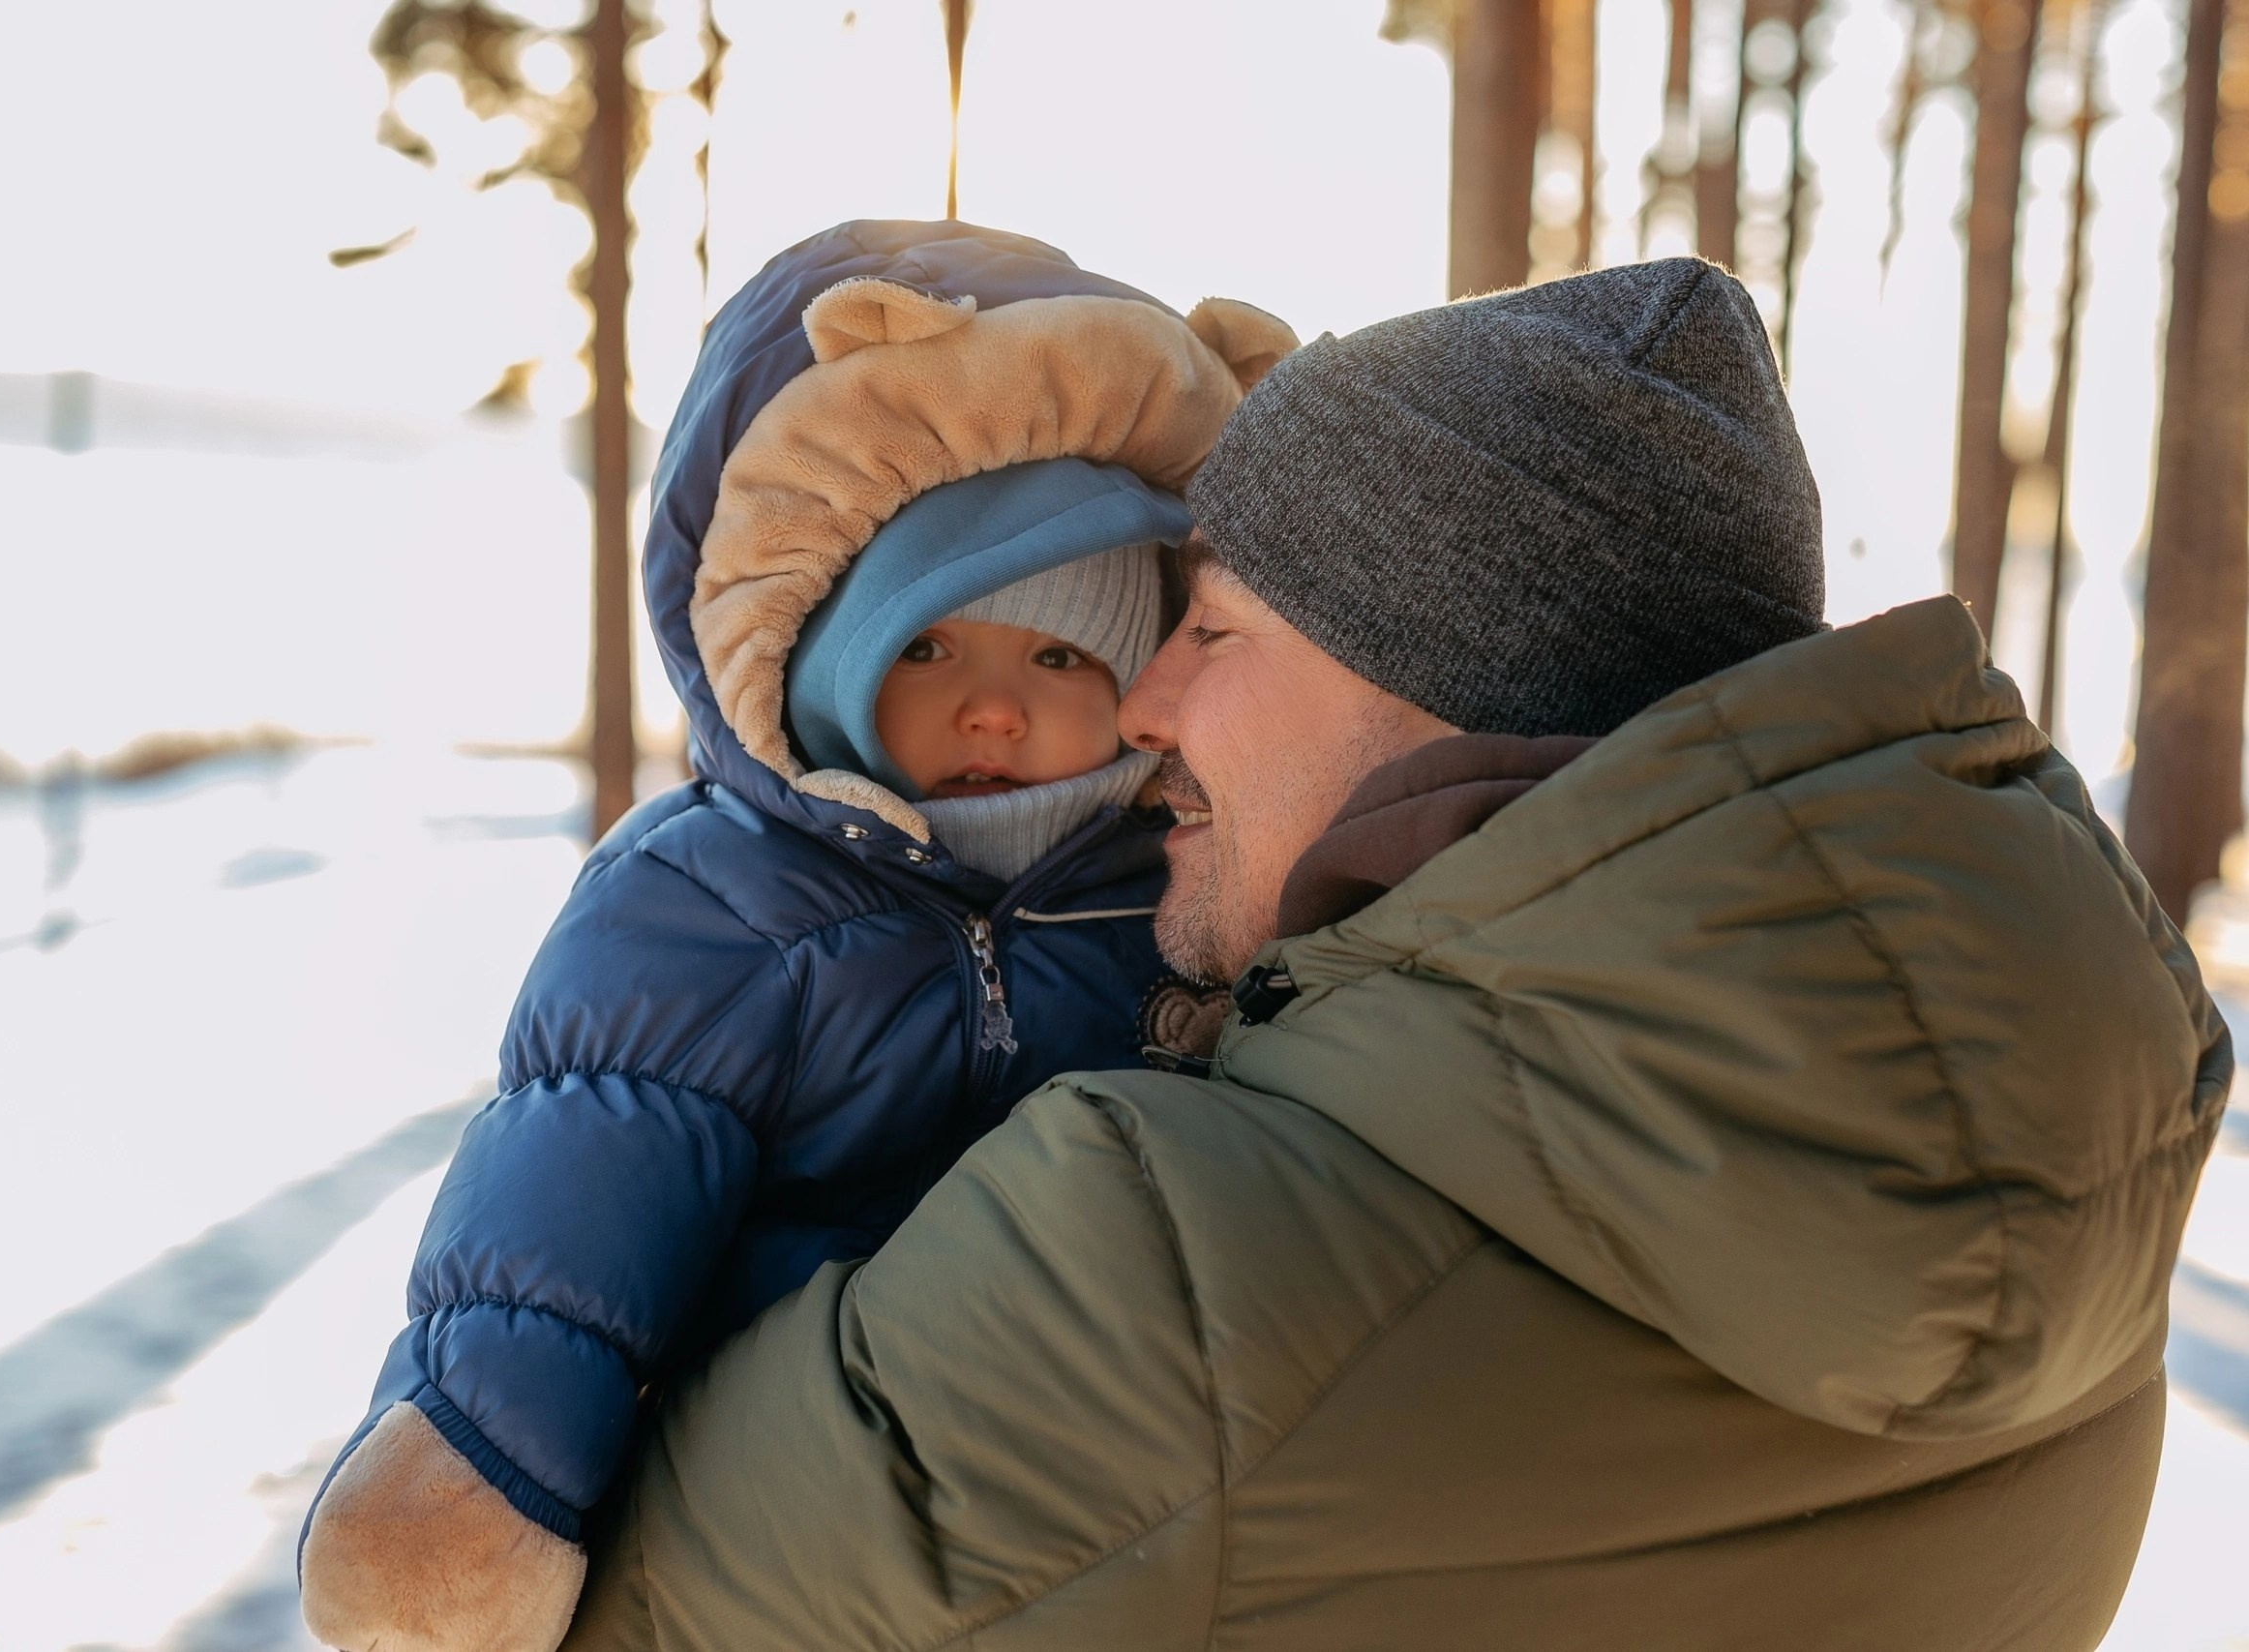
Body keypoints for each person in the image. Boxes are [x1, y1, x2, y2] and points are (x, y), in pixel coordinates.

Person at [563, 258, 2230, 1650]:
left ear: (1446, 680)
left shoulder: (1169, 1275)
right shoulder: (2079, 1228)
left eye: (1213, 627)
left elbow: (621, 1608)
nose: (1140, 709)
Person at [295, 221, 1298, 1652]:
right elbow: (578, 1186)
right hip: (767, 1518)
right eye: (930, 648)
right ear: (827, 647)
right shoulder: (716, 900)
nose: (995, 709)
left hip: (1092, 1514)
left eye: (1060, 656)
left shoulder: (1184, 888)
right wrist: (488, 1469)